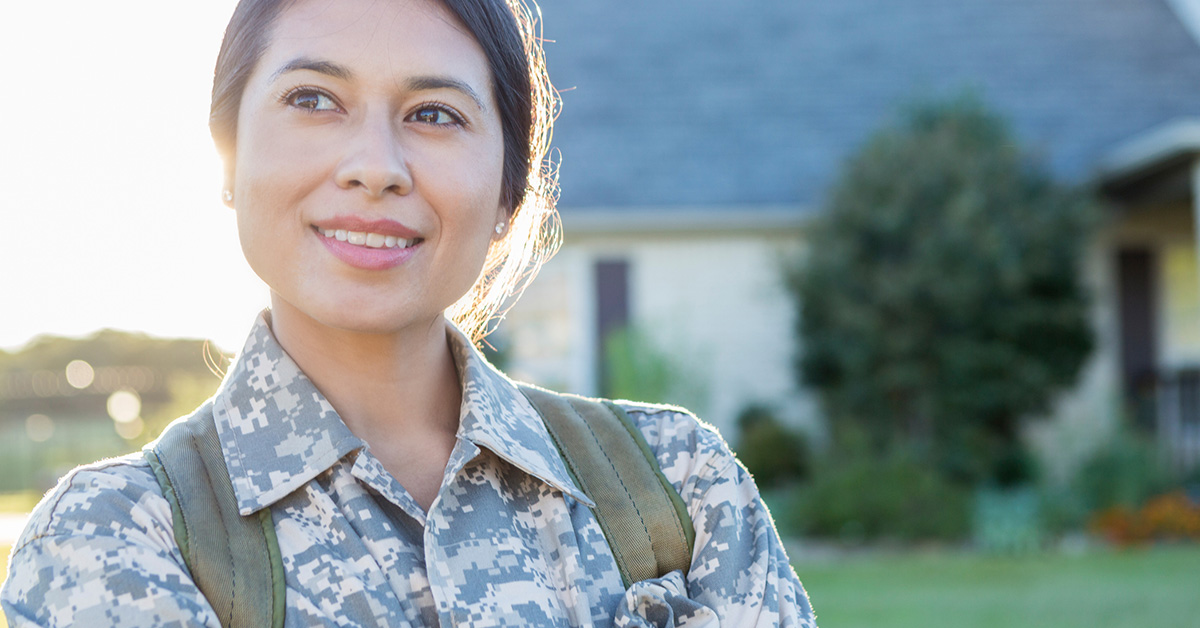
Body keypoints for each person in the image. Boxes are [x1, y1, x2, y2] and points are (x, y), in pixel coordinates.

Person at [1, 0, 817, 625]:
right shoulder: (115, 537)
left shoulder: (679, 486)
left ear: (508, 193)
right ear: (229, 154)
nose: (375, 167)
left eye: (434, 114)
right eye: (314, 99)